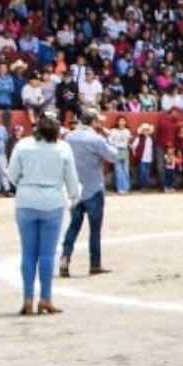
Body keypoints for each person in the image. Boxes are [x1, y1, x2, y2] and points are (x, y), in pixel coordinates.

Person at [8, 115, 81, 316]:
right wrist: (74, 197)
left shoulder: (23, 146)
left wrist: (25, 184)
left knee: (28, 253)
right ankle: (46, 298)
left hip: (26, 201)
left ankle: (28, 298)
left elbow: (12, 175)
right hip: (53, 201)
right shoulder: (63, 149)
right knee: (47, 254)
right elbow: (71, 179)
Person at [59, 109, 119, 277]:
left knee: (74, 225)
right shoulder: (96, 139)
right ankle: (95, 264)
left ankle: (65, 256)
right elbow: (113, 156)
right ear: (93, 121)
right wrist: (109, 137)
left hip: (74, 188)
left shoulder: (70, 137)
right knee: (95, 229)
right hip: (93, 188)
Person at [107, 116, 132, 194]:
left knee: (125, 169)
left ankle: (126, 187)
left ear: (125, 122)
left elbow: (128, 141)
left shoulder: (127, 131)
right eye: (120, 121)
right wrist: (113, 147)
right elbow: (109, 140)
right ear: (117, 122)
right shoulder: (113, 131)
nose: (122, 122)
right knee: (118, 170)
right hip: (116, 150)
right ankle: (120, 188)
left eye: (123, 121)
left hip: (124, 150)